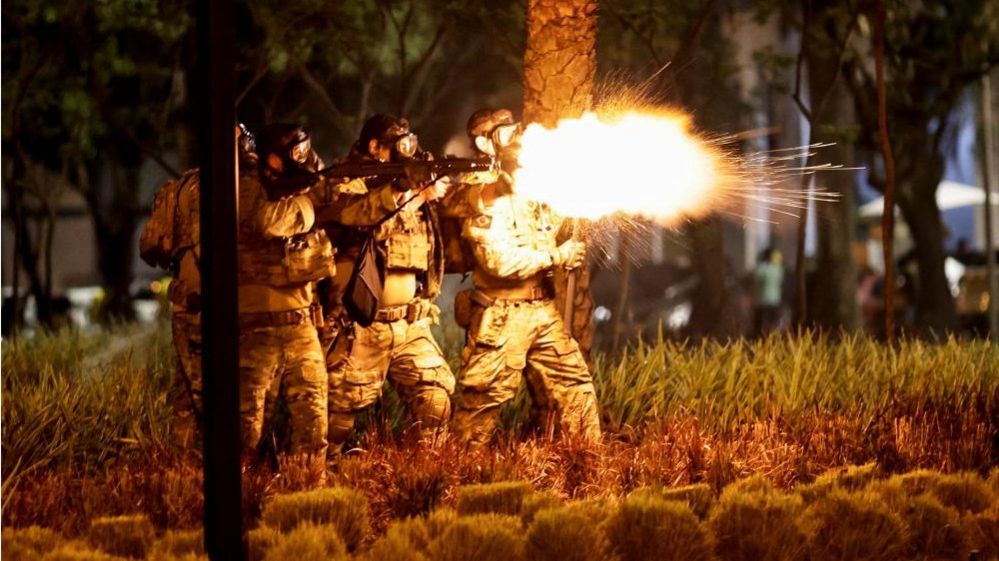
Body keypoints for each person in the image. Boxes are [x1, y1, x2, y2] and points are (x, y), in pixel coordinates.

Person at [446, 108, 601, 446]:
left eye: (512, 129)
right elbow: (498, 262)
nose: (513, 136)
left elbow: (554, 222)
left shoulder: (531, 184)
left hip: (542, 311)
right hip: (503, 314)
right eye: (501, 134)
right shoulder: (483, 193)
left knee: (575, 387)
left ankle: (589, 466)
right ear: (485, 144)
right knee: (481, 405)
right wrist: (556, 256)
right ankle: (457, 479)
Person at [317, 114, 455, 453]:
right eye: (397, 145)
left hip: (409, 324)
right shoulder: (348, 181)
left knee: (435, 400)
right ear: (375, 147)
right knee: (337, 415)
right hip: (361, 324)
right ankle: (318, 481)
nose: (407, 151)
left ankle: (416, 476)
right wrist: (412, 194)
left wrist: (438, 188)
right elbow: (364, 220)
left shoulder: (413, 188)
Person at [139, 124, 257, 447]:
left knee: (188, 395)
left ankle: (184, 471)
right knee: (212, 396)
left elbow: (155, 247)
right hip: (205, 304)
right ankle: (213, 474)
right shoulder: (219, 187)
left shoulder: (183, 186)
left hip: (190, 304)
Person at [236, 123, 333, 460]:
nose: (302, 158)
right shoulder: (247, 187)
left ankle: (308, 500)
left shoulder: (303, 185)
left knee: (313, 426)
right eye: (294, 152)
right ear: (273, 159)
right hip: (255, 329)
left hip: (300, 325)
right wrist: (308, 206)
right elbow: (264, 221)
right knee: (245, 430)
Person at [753, 247, 785, 336]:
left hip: (762, 301)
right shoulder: (778, 269)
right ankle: (773, 339)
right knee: (774, 324)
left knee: (759, 324)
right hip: (775, 300)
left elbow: (755, 280)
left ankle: (760, 339)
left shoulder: (762, 268)